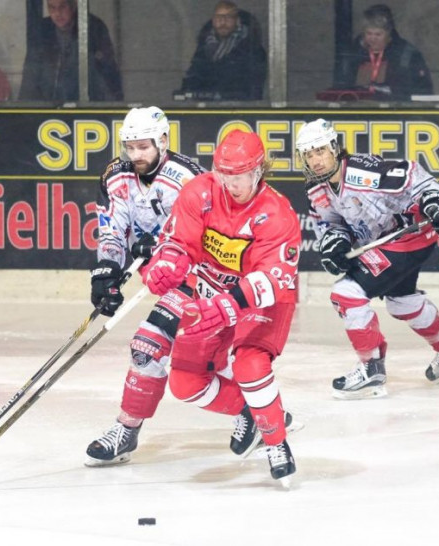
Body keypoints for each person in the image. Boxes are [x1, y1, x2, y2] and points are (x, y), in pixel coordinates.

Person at [142, 129, 301, 482]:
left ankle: (277, 442)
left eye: (239, 176)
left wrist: (228, 306)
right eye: (224, 175)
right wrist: (167, 263)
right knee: (185, 383)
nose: (230, 184)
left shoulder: (277, 214)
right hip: (210, 294)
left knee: (249, 363)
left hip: (264, 300)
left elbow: (273, 278)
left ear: (258, 172)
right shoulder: (199, 191)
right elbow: (178, 240)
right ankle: (254, 413)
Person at [295, 119, 439, 399]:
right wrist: (336, 242)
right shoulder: (316, 189)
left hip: (408, 237)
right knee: (401, 303)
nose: (315, 160)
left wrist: (432, 202)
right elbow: (330, 223)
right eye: (308, 154)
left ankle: (371, 369)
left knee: (346, 294)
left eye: (320, 151)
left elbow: (412, 175)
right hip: (387, 244)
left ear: (334, 148)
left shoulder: (360, 173)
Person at [85, 106, 206, 465]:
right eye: (130, 147)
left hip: (202, 277)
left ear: (163, 141)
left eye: (144, 147)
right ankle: (127, 430)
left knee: (182, 355)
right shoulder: (115, 176)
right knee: (149, 349)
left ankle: (265, 415)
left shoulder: (189, 178)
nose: (136, 155)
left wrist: (165, 243)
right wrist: (107, 269)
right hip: (165, 278)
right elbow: (112, 227)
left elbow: (206, 236)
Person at [19, 0, 123, 101]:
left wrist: (111, 109)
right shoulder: (42, 30)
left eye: (62, 6)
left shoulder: (93, 28)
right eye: (52, 7)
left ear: (74, 4)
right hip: (48, 110)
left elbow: (107, 75)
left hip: (86, 109)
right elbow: (30, 78)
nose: (57, 13)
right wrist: (25, 112)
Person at [333, 4, 432, 100]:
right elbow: (342, 86)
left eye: (378, 34)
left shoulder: (407, 54)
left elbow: (423, 92)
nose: (373, 38)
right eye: (369, 33)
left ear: (389, 34)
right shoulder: (353, 52)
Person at [176, 1, 267, 100]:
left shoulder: (253, 51)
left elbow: (253, 90)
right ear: (213, 20)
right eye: (218, 17)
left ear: (237, 20)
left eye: (228, 17)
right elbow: (193, 78)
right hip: (206, 111)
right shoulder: (203, 49)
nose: (222, 22)